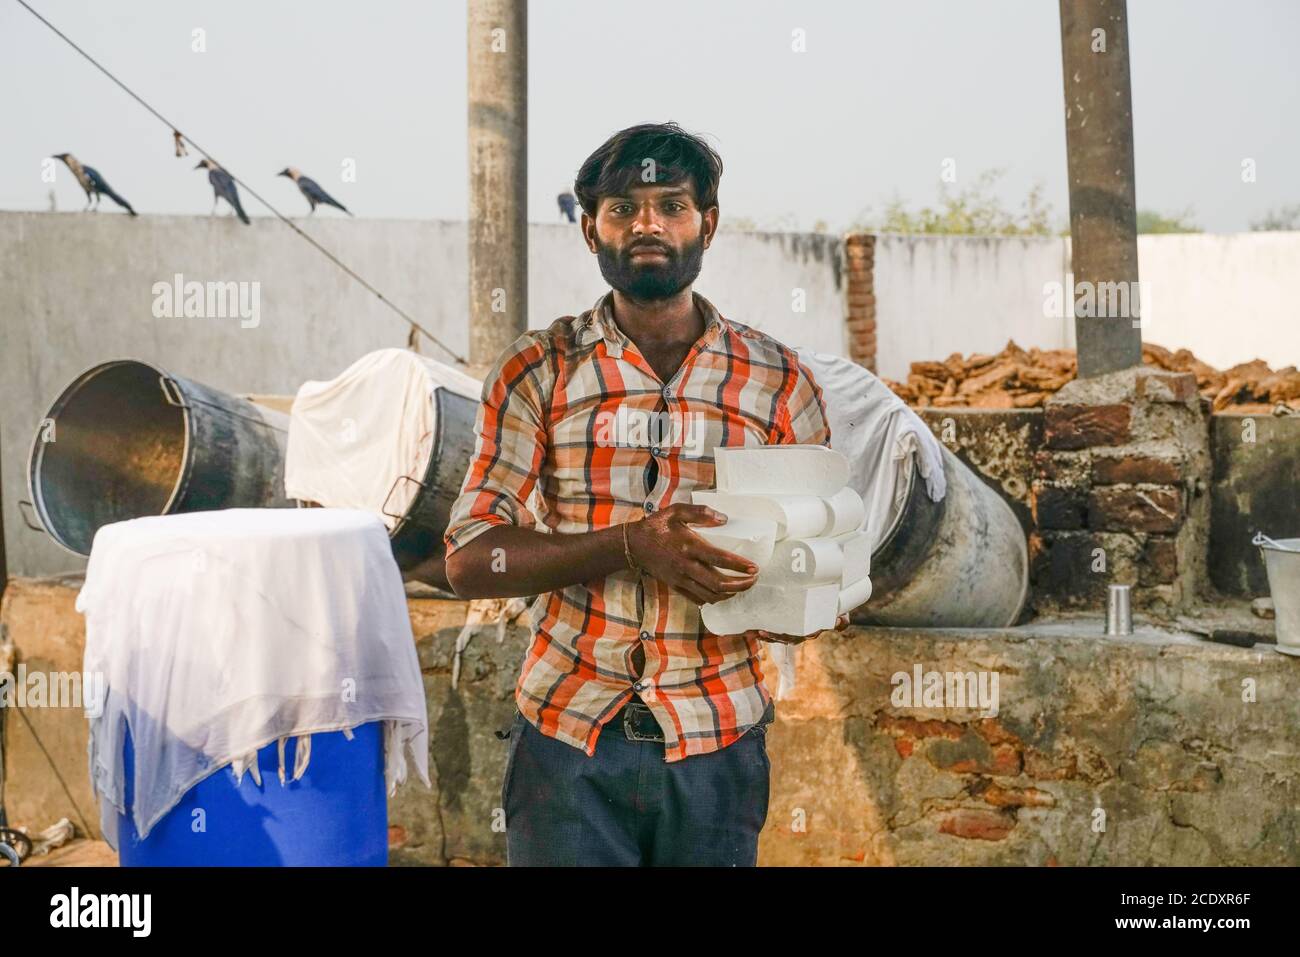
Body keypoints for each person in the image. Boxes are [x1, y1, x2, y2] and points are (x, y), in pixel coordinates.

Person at [443, 121, 845, 867]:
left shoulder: (778, 380)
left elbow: (822, 552)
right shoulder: (538, 370)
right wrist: (632, 545)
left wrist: (800, 598)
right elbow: (471, 562)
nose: (648, 224)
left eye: (672, 204)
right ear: (590, 230)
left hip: (718, 746)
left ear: (708, 224)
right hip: (568, 743)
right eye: (623, 208)